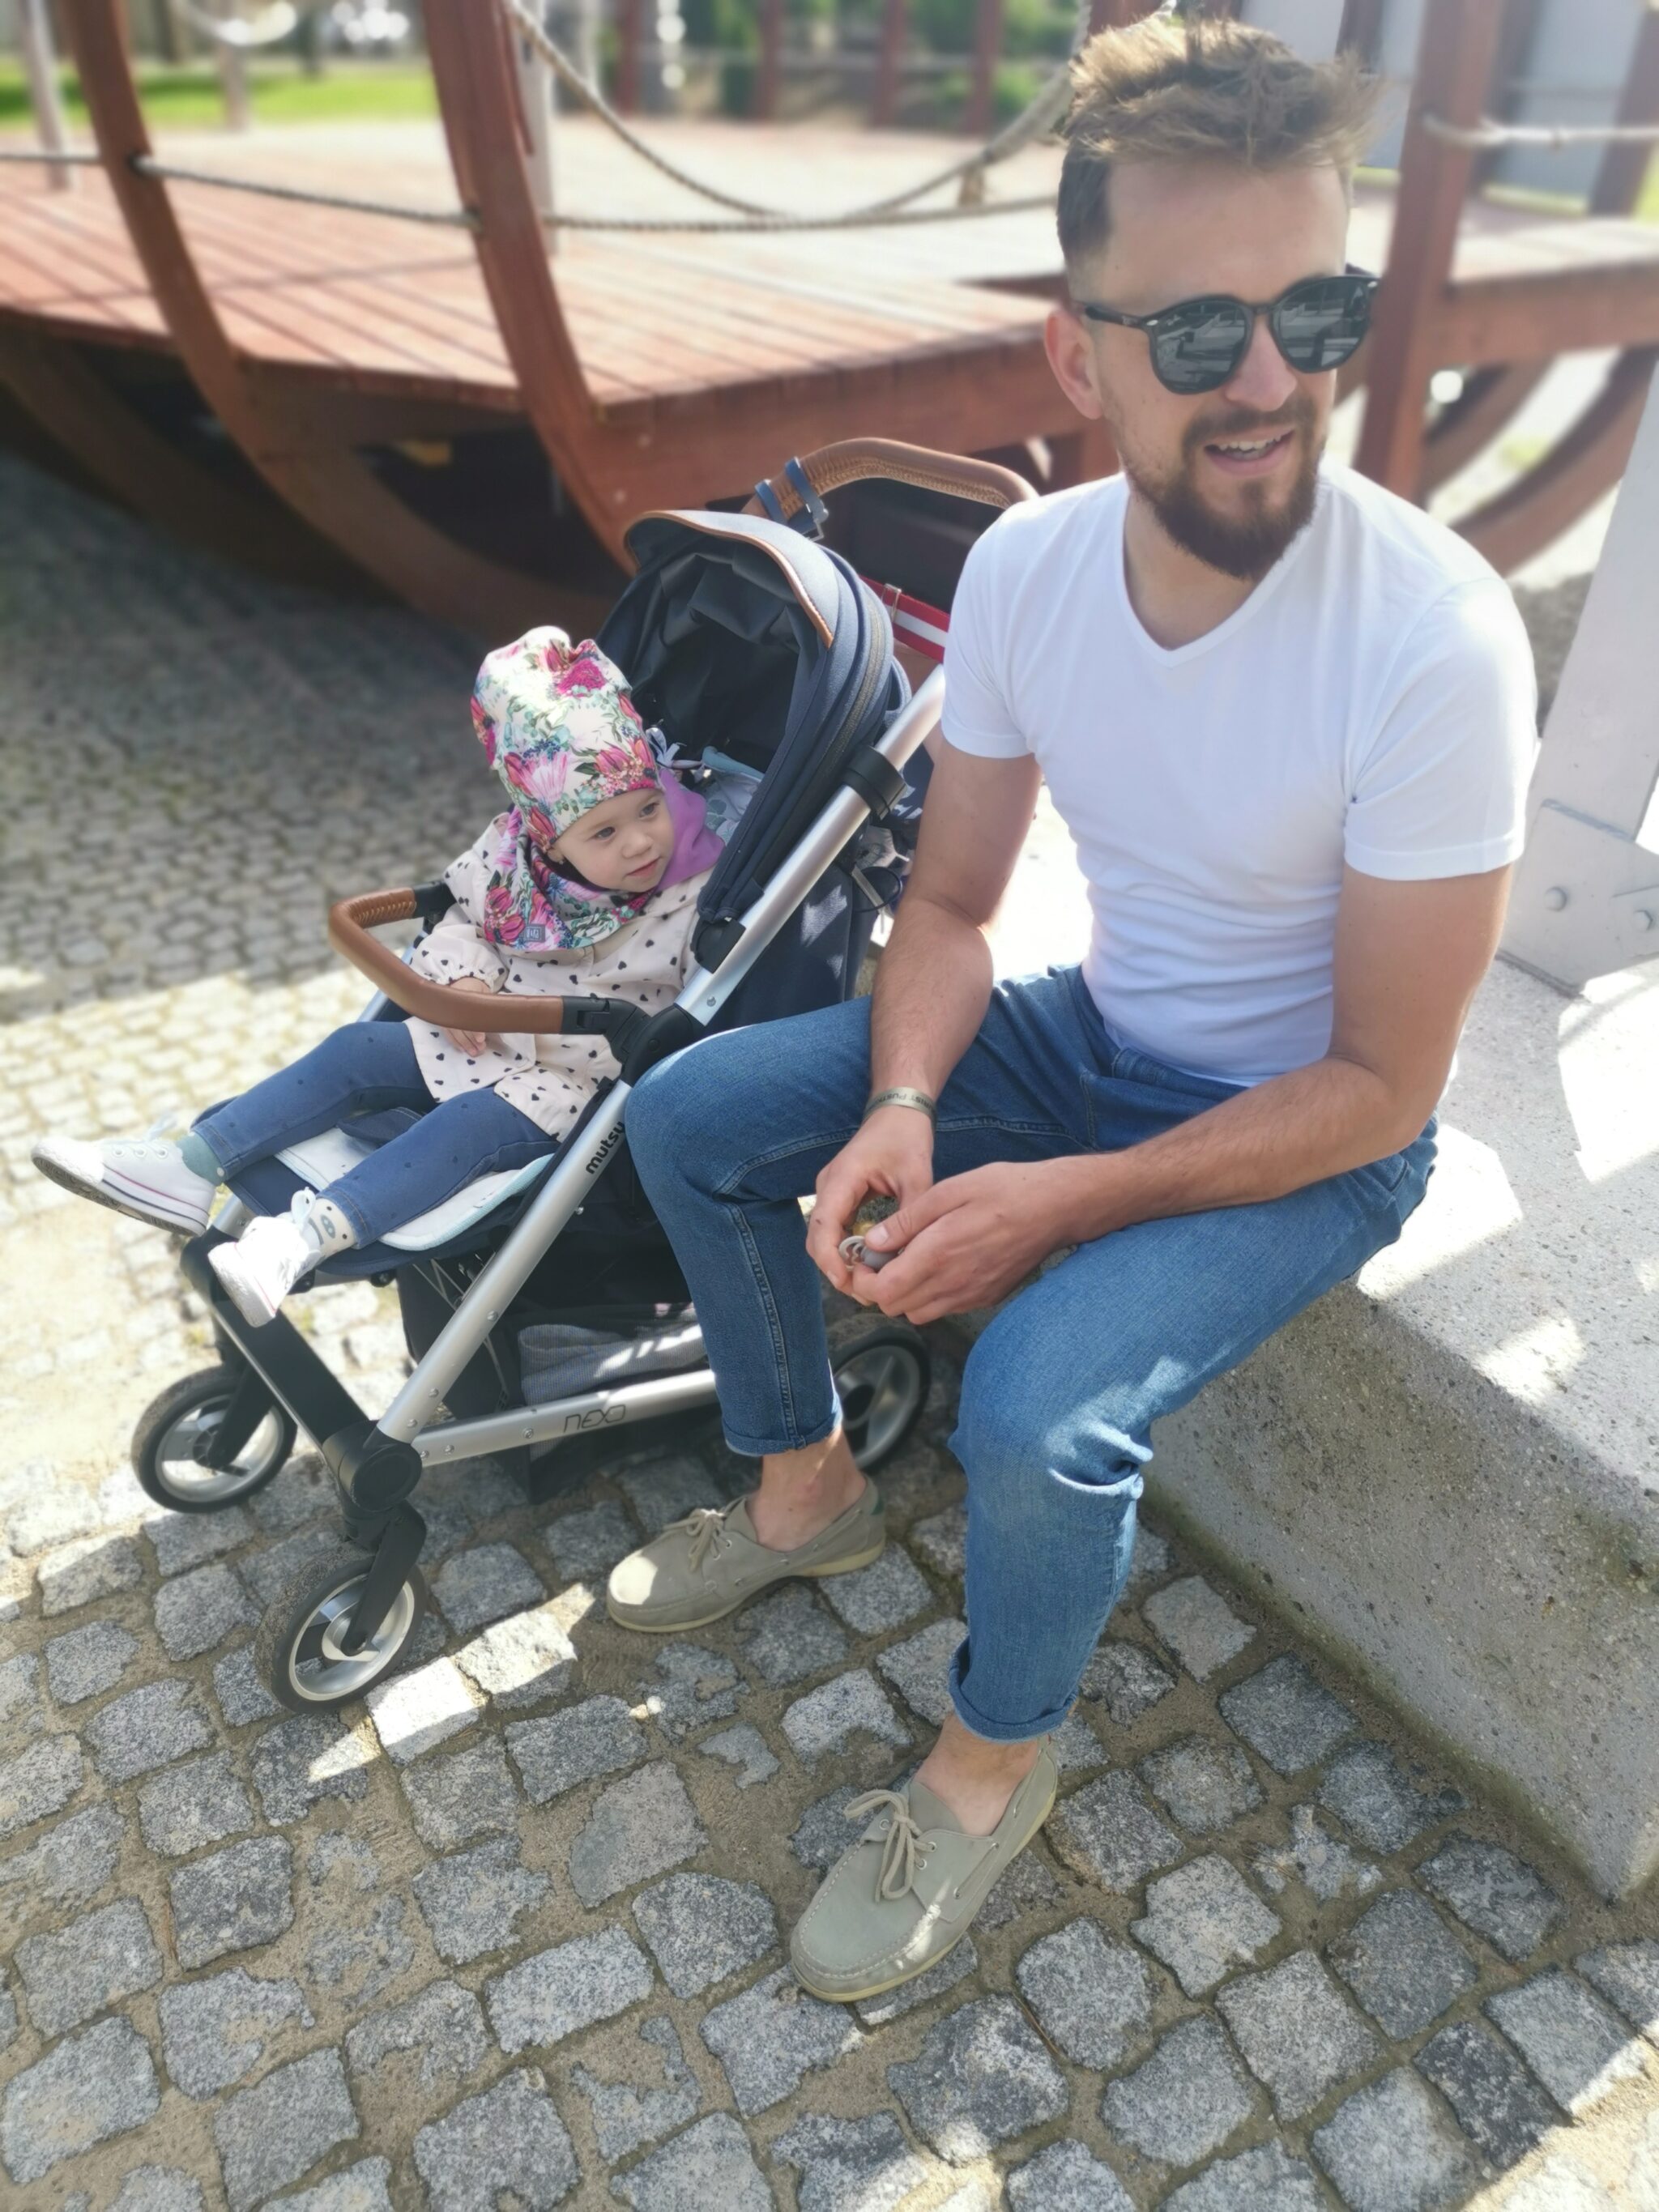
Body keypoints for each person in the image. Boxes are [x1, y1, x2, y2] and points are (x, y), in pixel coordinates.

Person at [607, 14, 1538, 2005]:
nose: (1267, 381)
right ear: (1074, 354)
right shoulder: (1030, 570)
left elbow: (1386, 1087)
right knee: (690, 1115)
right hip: (1085, 1036)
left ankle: (991, 1757)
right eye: (1195, 332)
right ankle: (804, 1486)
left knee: (1035, 1402)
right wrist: (907, 1101)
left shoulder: (1433, 641)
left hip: (1310, 1127)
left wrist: (1060, 1204)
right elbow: (948, 906)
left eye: (1314, 310)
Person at [32, 629, 723, 1325]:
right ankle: (190, 1163)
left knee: (461, 1128)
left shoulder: (696, 894)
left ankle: (302, 1238)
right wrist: (466, 982)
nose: (640, 840)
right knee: (357, 1048)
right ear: (550, 841)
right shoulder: (518, 863)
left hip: (563, 1086)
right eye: (604, 833)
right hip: (478, 1032)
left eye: (648, 808)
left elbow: (702, 1012)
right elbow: (463, 917)